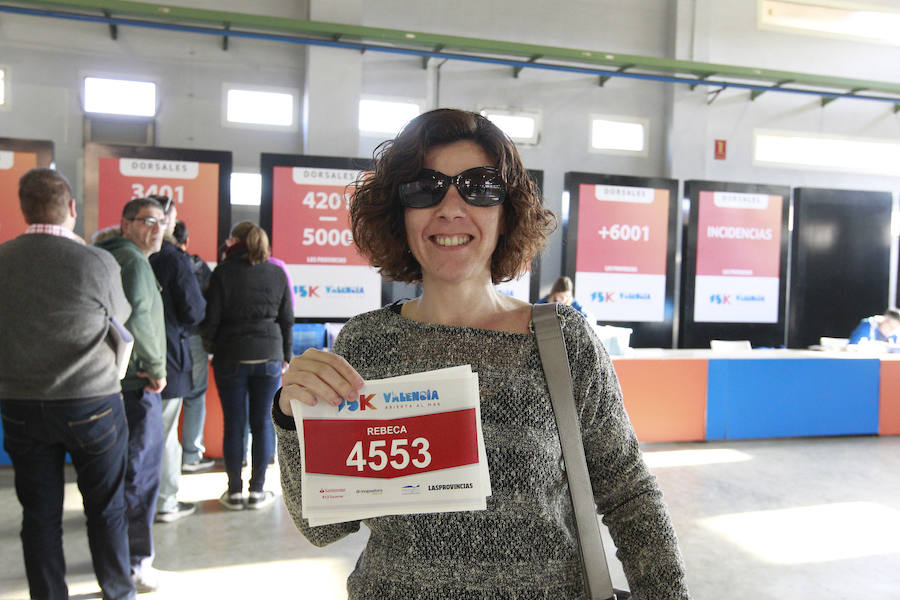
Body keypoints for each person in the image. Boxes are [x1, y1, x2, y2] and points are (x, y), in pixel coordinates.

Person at [273, 109, 690, 599]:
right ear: (398, 212)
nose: (451, 207)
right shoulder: (366, 344)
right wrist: (290, 419)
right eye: (425, 187)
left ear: (506, 211)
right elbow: (324, 527)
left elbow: (629, 495)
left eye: (480, 186)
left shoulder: (561, 341)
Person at [0, 168, 135, 600]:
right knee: (106, 508)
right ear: (72, 209)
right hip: (92, 402)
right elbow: (122, 317)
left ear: (23, 209)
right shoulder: (96, 261)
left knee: (38, 515)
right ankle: (117, 591)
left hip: (22, 404)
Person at [96, 197, 168, 593]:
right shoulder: (134, 261)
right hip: (137, 383)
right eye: (146, 221)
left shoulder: (104, 255)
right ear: (126, 224)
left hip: (108, 383)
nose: (156, 229)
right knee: (140, 476)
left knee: (120, 474)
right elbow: (140, 313)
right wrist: (157, 370)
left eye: (161, 222)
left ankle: (117, 558)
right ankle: (136, 563)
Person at [201, 221, 293, 511]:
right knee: (263, 423)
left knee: (234, 424)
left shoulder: (223, 273)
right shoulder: (276, 272)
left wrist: (212, 347)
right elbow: (286, 318)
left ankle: (235, 492)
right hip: (269, 355)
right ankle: (257, 491)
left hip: (230, 355)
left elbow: (211, 319)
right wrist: (285, 356)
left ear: (236, 241)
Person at [148, 199, 207, 523]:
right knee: (165, 433)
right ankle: (166, 503)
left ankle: (140, 501)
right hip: (168, 355)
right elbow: (194, 310)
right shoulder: (174, 259)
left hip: (124, 362)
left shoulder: (122, 254)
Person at [171, 220, 215, 472]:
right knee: (195, 395)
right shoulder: (198, 267)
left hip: (167, 340)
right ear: (186, 242)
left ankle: (164, 457)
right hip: (196, 337)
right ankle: (190, 455)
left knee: (167, 398)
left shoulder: (154, 261)